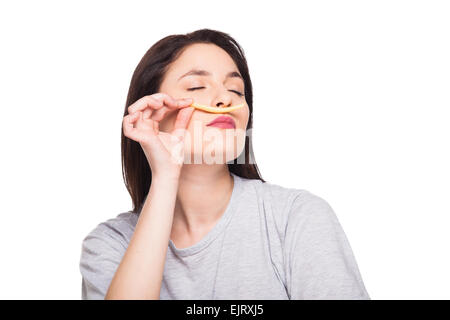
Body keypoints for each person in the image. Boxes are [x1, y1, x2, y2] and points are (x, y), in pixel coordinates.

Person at [79, 28, 370, 300]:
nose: (223, 99)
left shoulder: (296, 217)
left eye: (236, 90)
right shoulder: (109, 244)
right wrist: (166, 174)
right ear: (152, 111)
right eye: (196, 86)